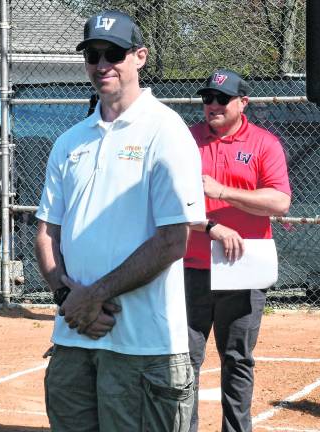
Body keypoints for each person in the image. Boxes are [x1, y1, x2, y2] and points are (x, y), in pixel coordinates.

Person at [34, 10, 205, 430]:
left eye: (114, 53)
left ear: (140, 57)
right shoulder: (70, 140)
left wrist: (95, 296)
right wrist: (66, 298)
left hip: (144, 346)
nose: (102, 64)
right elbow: (45, 234)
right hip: (74, 338)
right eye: (93, 54)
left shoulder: (166, 131)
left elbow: (172, 241)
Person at [184, 69, 291, 432]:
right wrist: (211, 224)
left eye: (221, 99)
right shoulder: (187, 140)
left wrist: (223, 192)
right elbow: (170, 201)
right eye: (207, 99)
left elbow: (279, 202)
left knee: (237, 360)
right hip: (191, 266)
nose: (211, 105)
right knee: (185, 361)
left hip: (243, 268)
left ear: (242, 103)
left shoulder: (264, 144)